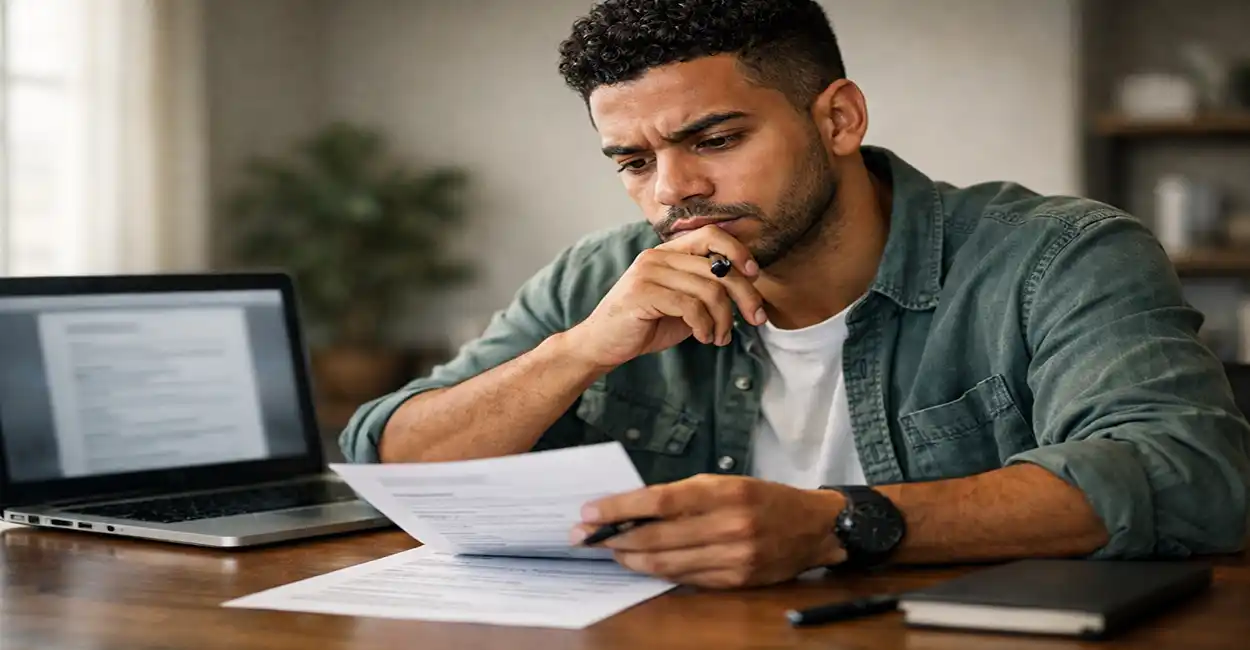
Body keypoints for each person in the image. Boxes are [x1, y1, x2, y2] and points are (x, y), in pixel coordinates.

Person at [339, 0, 1250, 588]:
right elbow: (388, 460)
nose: (672, 192)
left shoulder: (1059, 256)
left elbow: (1193, 476)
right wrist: (578, 352)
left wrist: (838, 526)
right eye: (633, 160)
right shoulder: (602, 276)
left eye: (715, 139)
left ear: (838, 118)